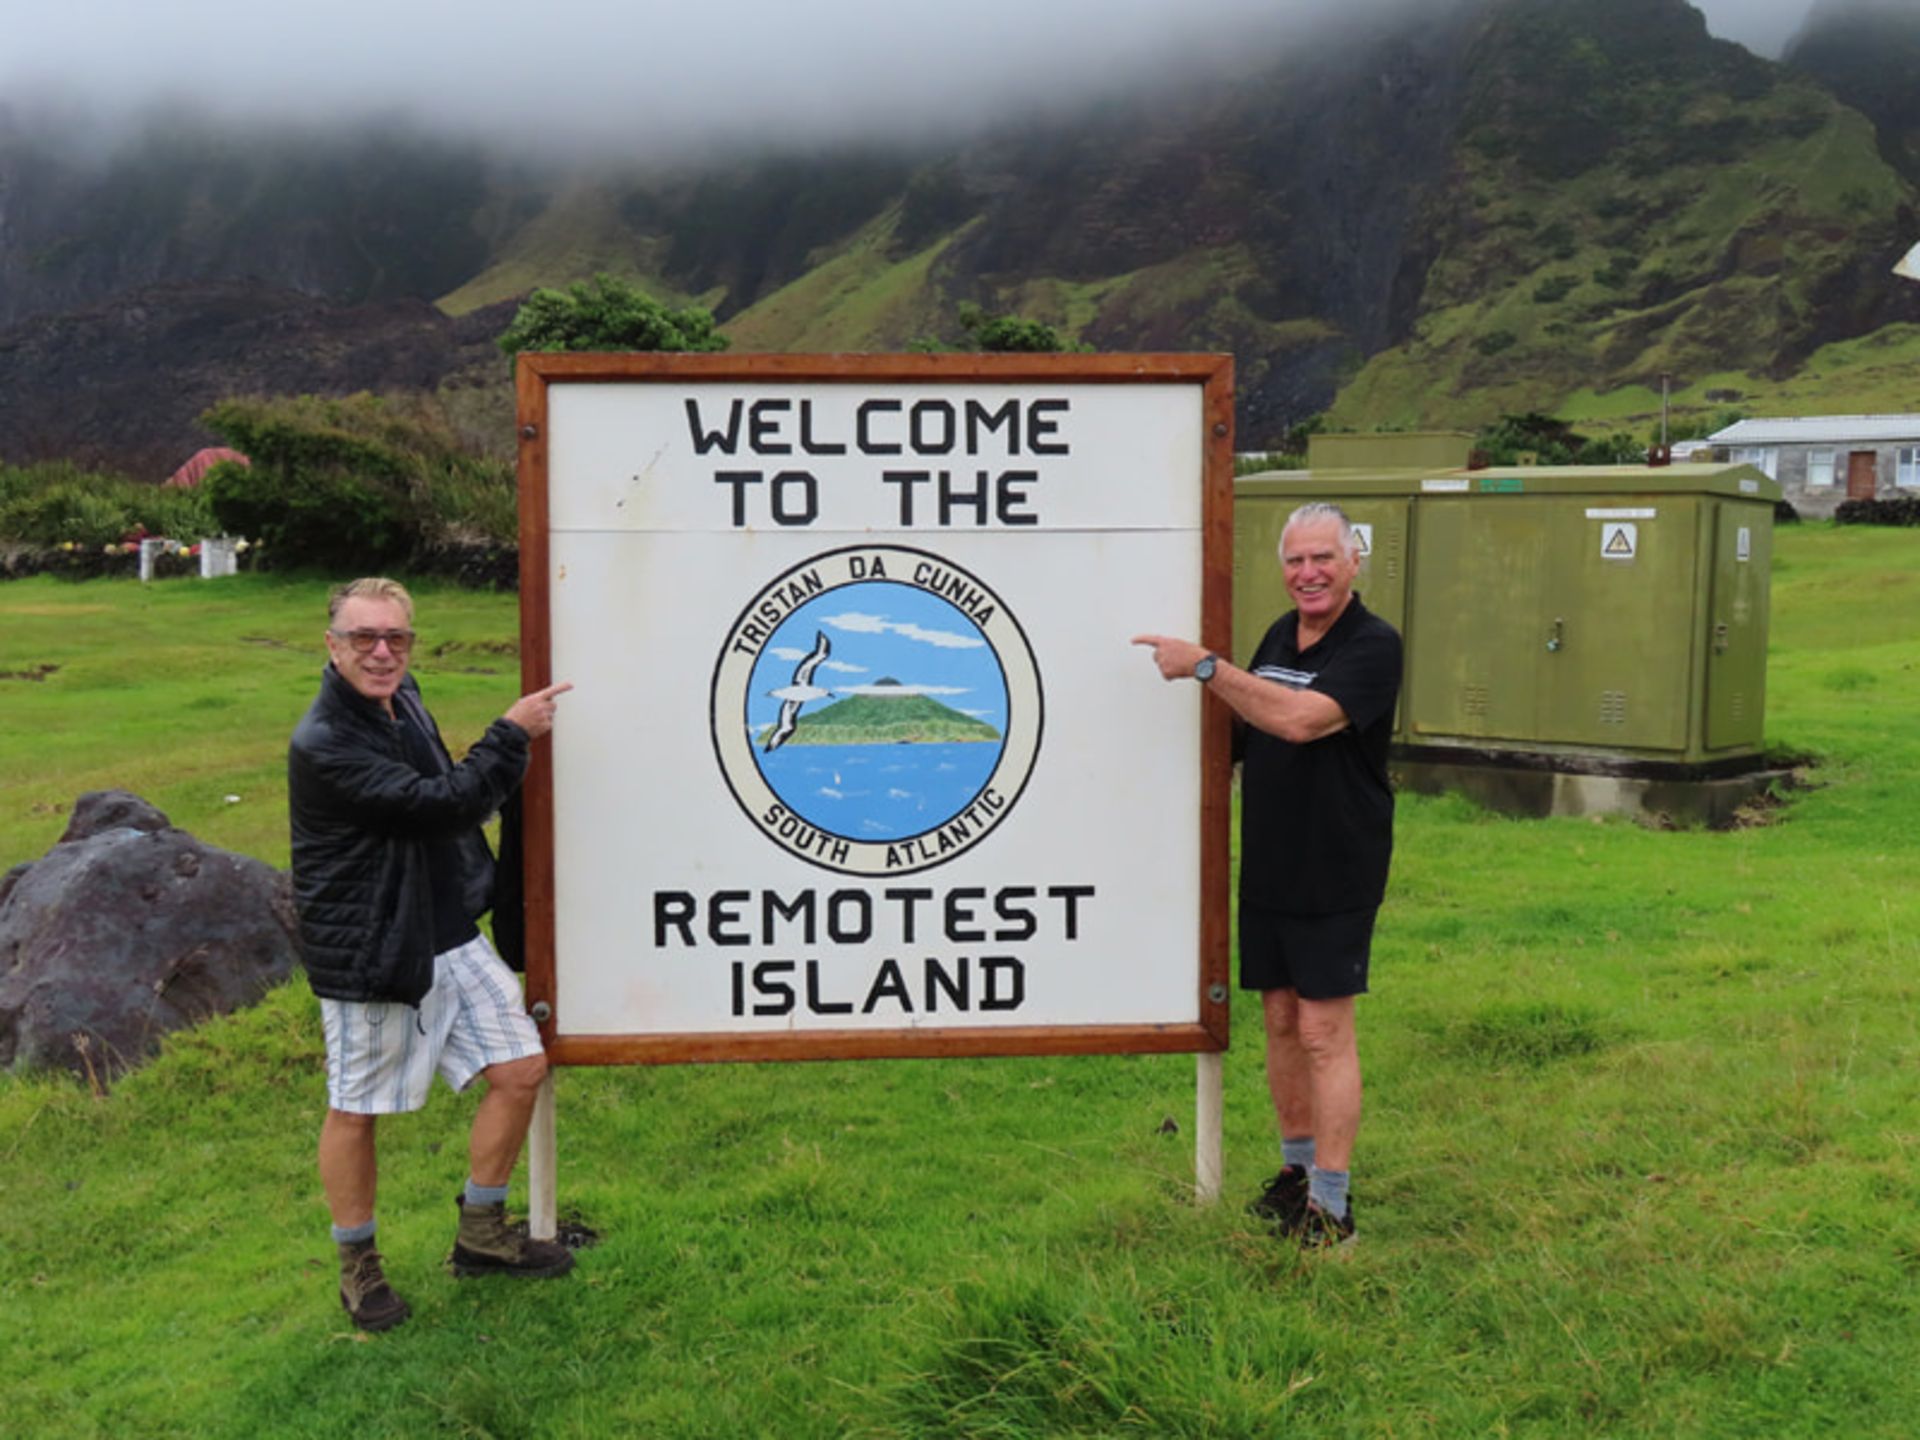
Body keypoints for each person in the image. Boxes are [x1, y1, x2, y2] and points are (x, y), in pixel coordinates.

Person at [289, 576, 577, 1330]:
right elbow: (443, 803)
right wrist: (510, 734)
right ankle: (358, 1267)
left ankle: (481, 1234)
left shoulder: (400, 697)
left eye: (396, 638)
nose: (382, 653)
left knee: (521, 1069)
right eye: (363, 639)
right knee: (357, 1108)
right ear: (332, 646)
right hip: (376, 945)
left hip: (445, 923)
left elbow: (443, 784)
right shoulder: (325, 743)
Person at [1134, 502, 1402, 1248]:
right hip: (1270, 861)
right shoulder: (1283, 633)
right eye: (1295, 561)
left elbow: (1300, 720)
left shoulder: (1374, 645)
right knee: (1280, 1019)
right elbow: (1248, 730)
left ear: (1354, 561)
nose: (1308, 574)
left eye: (1323, 558)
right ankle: (1295, 1176)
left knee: (1322, 1029)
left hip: (1336, 864)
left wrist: (1209, 667)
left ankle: (1334, 1204)